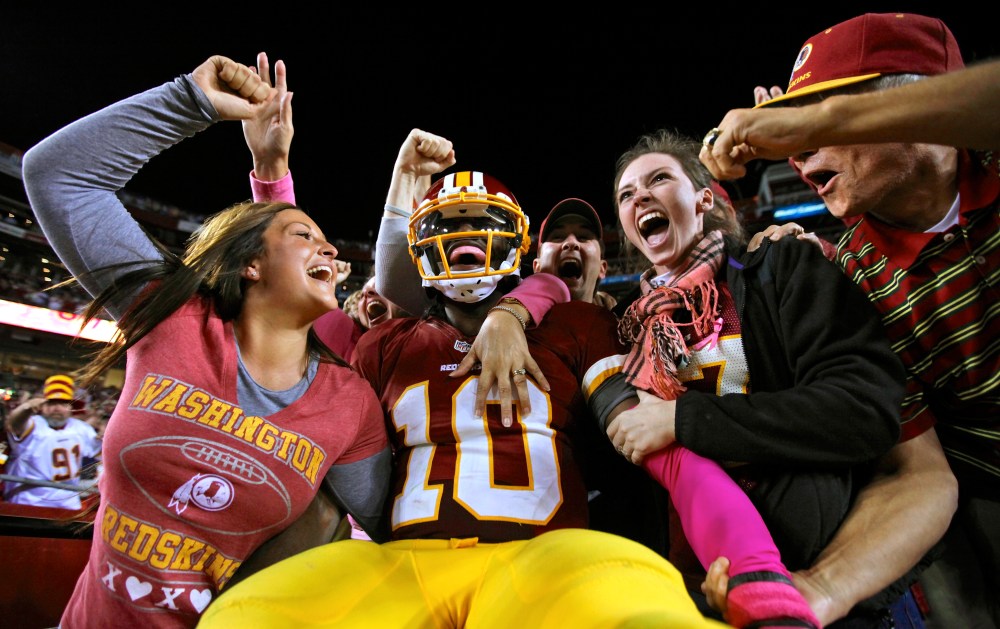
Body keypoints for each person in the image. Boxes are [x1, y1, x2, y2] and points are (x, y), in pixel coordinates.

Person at [202, 149, 734, 627]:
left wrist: (732, 550)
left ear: (517, 243)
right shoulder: (385, 342)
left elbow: (639, 433)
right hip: (408, 561)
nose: (466, 240)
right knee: (246, 616)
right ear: (421, 248)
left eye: (484, 224)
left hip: (544, 554)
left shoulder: (572, 324)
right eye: (450, 228)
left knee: (645, 615)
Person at [21, 54, 391, 628]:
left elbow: (396, 529)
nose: (330, 251)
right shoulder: (173, 317)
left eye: (328, 244)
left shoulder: (350, 404)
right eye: (304, 236)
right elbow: (57, 176)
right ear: (249, 266)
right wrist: (186, 101)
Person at [700, 12, 994, 627]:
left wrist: (816, 120)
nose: (798, 149)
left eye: (829, 109)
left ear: (918, 93)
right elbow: (921, 475)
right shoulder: (849, 271)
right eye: (793, 126)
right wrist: (818, 588)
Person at [3, 374, 101, 510]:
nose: (56, 408)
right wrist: (26, 407)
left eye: (63, 403)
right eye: (51, 403)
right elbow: (14, 424)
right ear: (41, 406)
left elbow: (103, 453)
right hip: (30, 499)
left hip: (68, 501)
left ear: (71, 407)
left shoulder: (81, 428)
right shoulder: (32, 424)